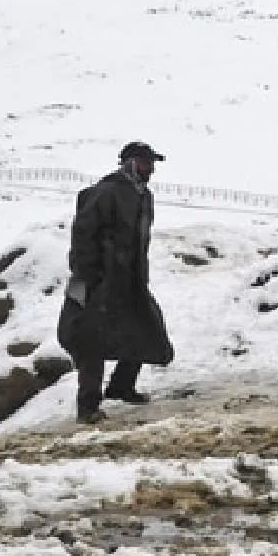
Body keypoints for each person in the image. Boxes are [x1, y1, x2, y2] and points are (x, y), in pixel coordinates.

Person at [58, 142, 175, 424]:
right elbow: (83, 235)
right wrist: (86, 276)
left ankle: (122, 386)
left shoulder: (144, 196)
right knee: (91, 340)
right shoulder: (106, 192)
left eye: (152, 164)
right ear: (129, 163)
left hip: (130, 279)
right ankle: (87, 408)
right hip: (98, 279)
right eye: (145, 163)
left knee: (145, 326)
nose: (150, 169)